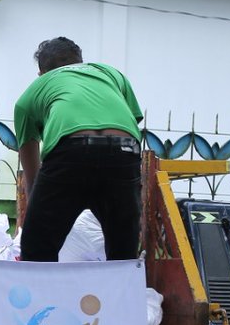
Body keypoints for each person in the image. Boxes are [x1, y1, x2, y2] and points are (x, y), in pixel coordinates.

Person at [14, 36, 144, 262]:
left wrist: (39, 207)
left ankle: (44, 296)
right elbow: (129, 118)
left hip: (70, 152)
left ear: (42, 73)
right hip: (124, 150)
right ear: (81, 62)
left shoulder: (35, 90)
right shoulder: (111, 73)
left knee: (37, 249)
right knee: (123, 252)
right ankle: (121, 293)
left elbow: (30, 160)